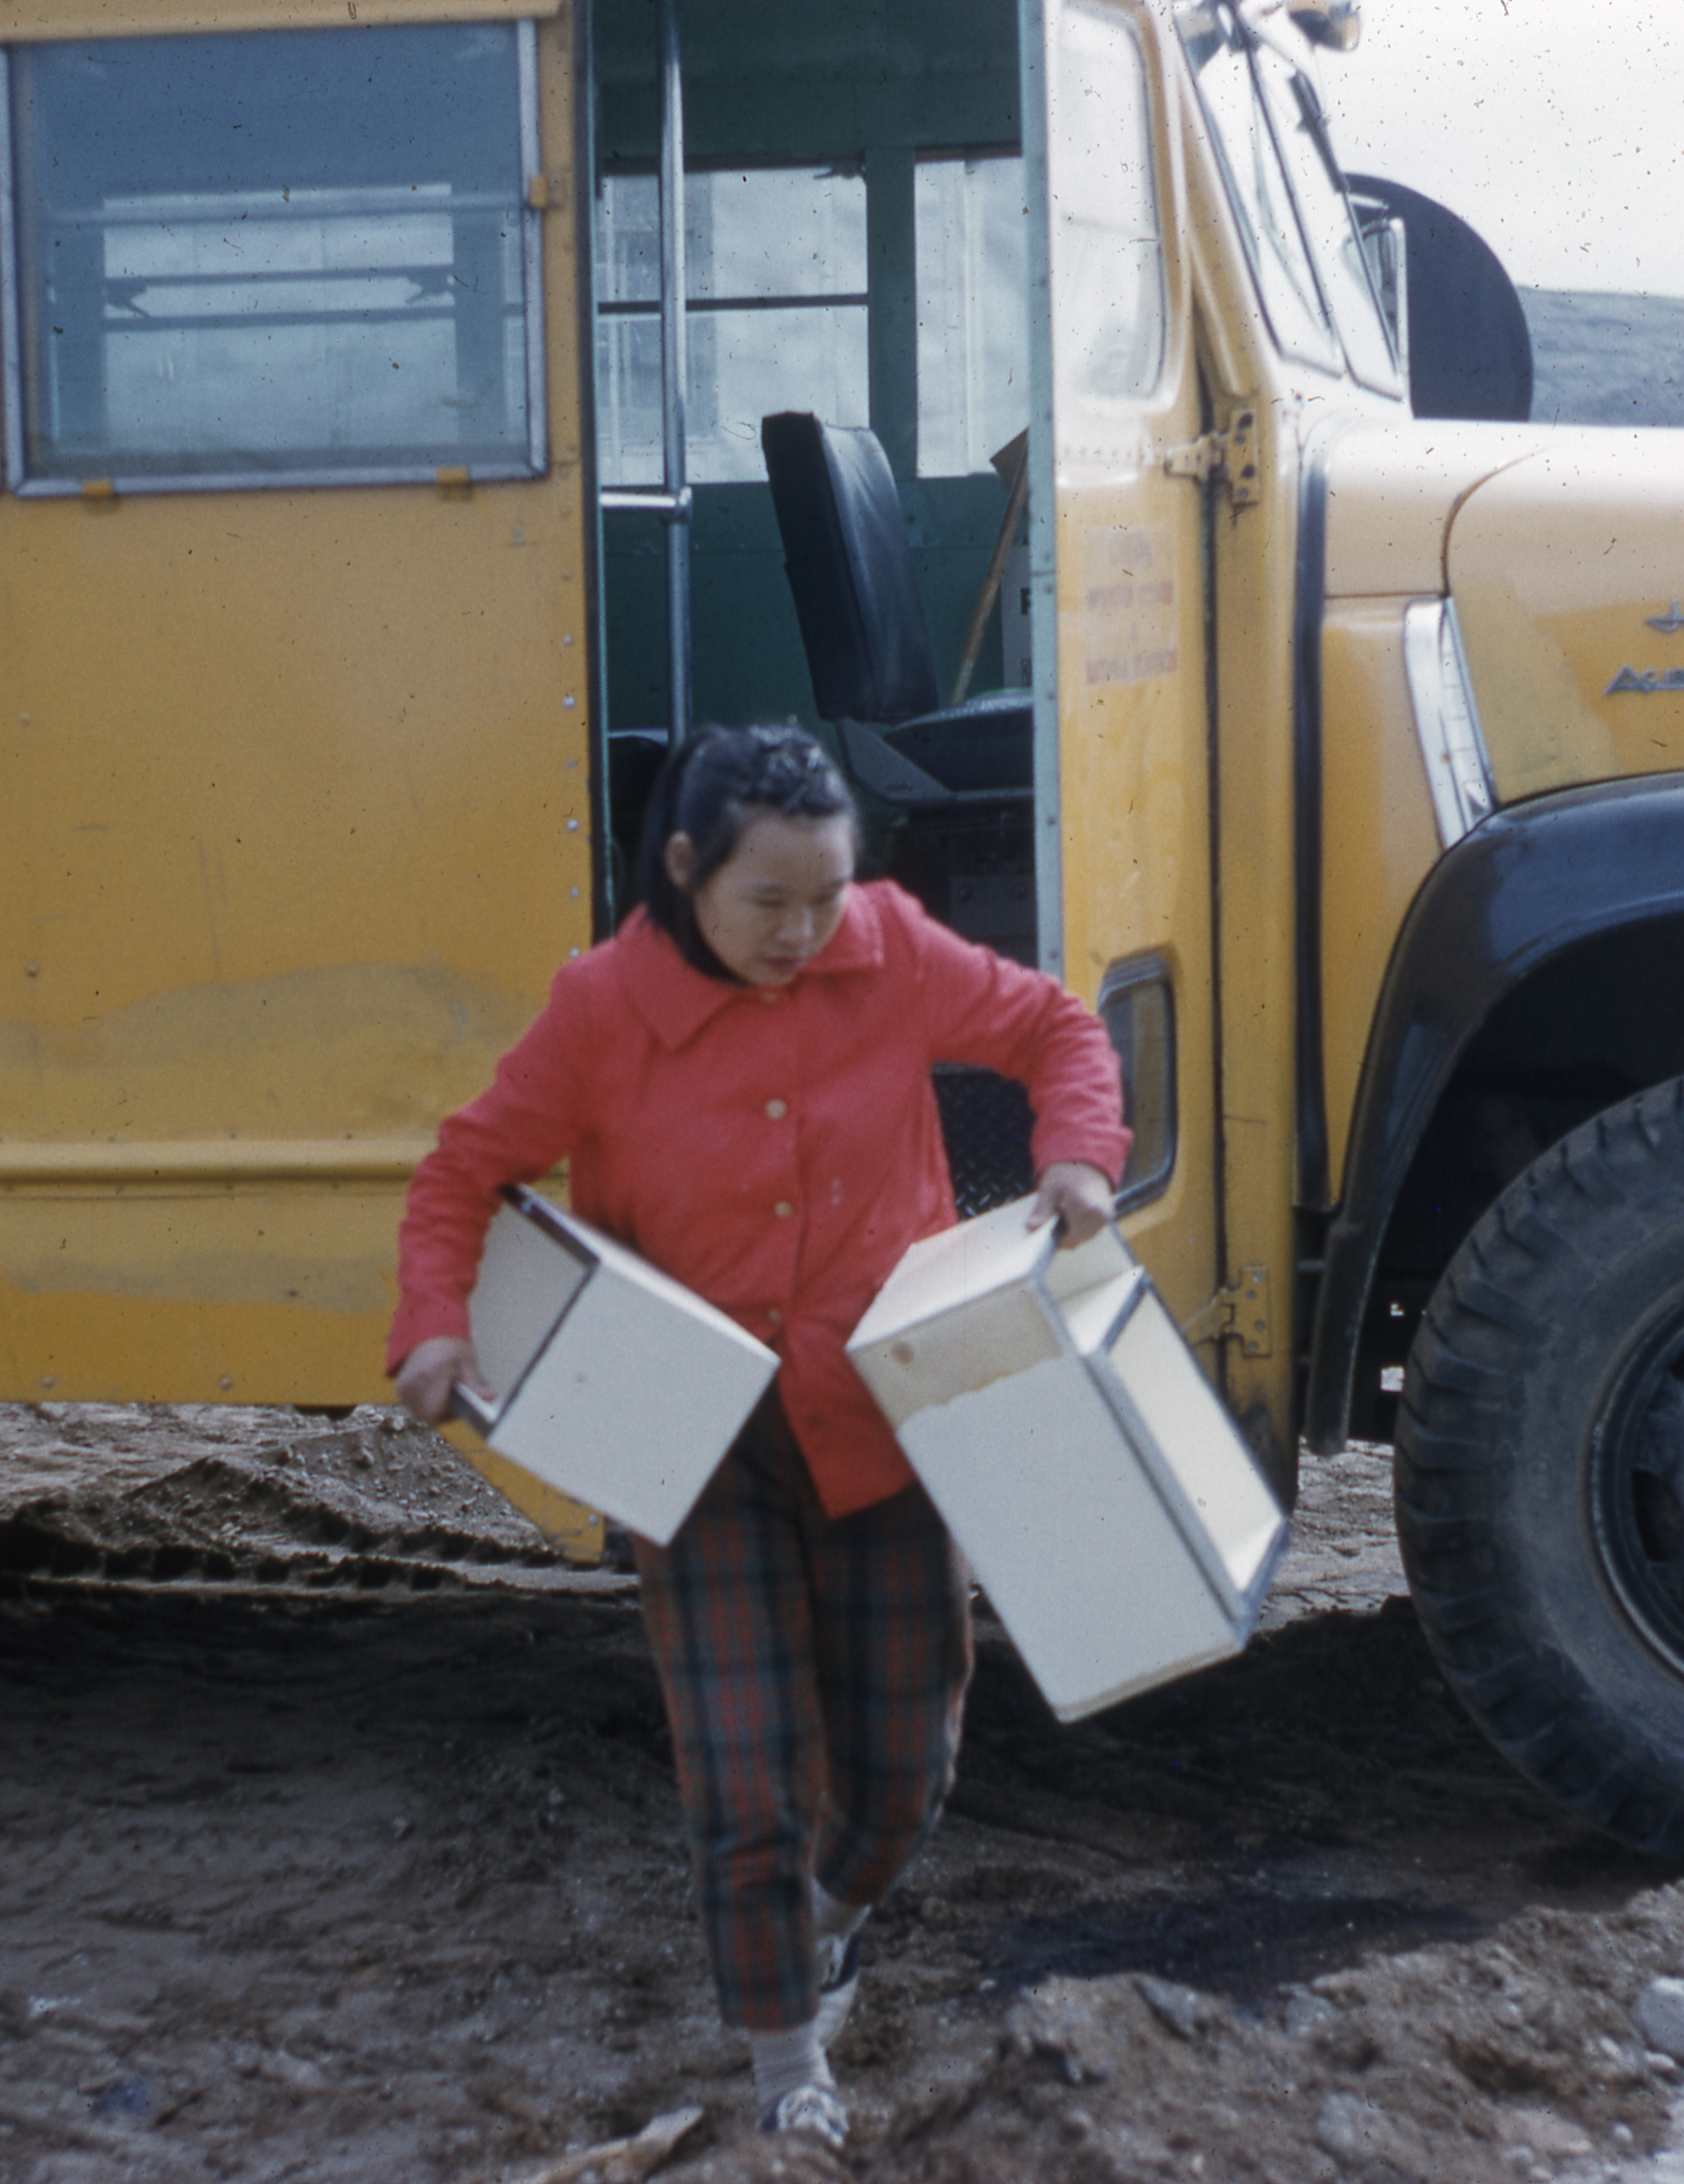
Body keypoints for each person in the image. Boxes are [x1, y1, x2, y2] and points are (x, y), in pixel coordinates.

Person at [389, 723, 1129, 2149]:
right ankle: (788, 2061)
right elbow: (465, 1167)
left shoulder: (896, 951)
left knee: (903, 1765)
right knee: (741, 1768)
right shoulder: (601, 1009)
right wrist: (434, 1321)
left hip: (882, 1419)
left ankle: (823, 1920)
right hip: (695, 1440)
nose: (803, 932)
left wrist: (1076, 1149)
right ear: (683, 870)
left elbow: (1055, 1029)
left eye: (826, 897)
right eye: (765, 903)